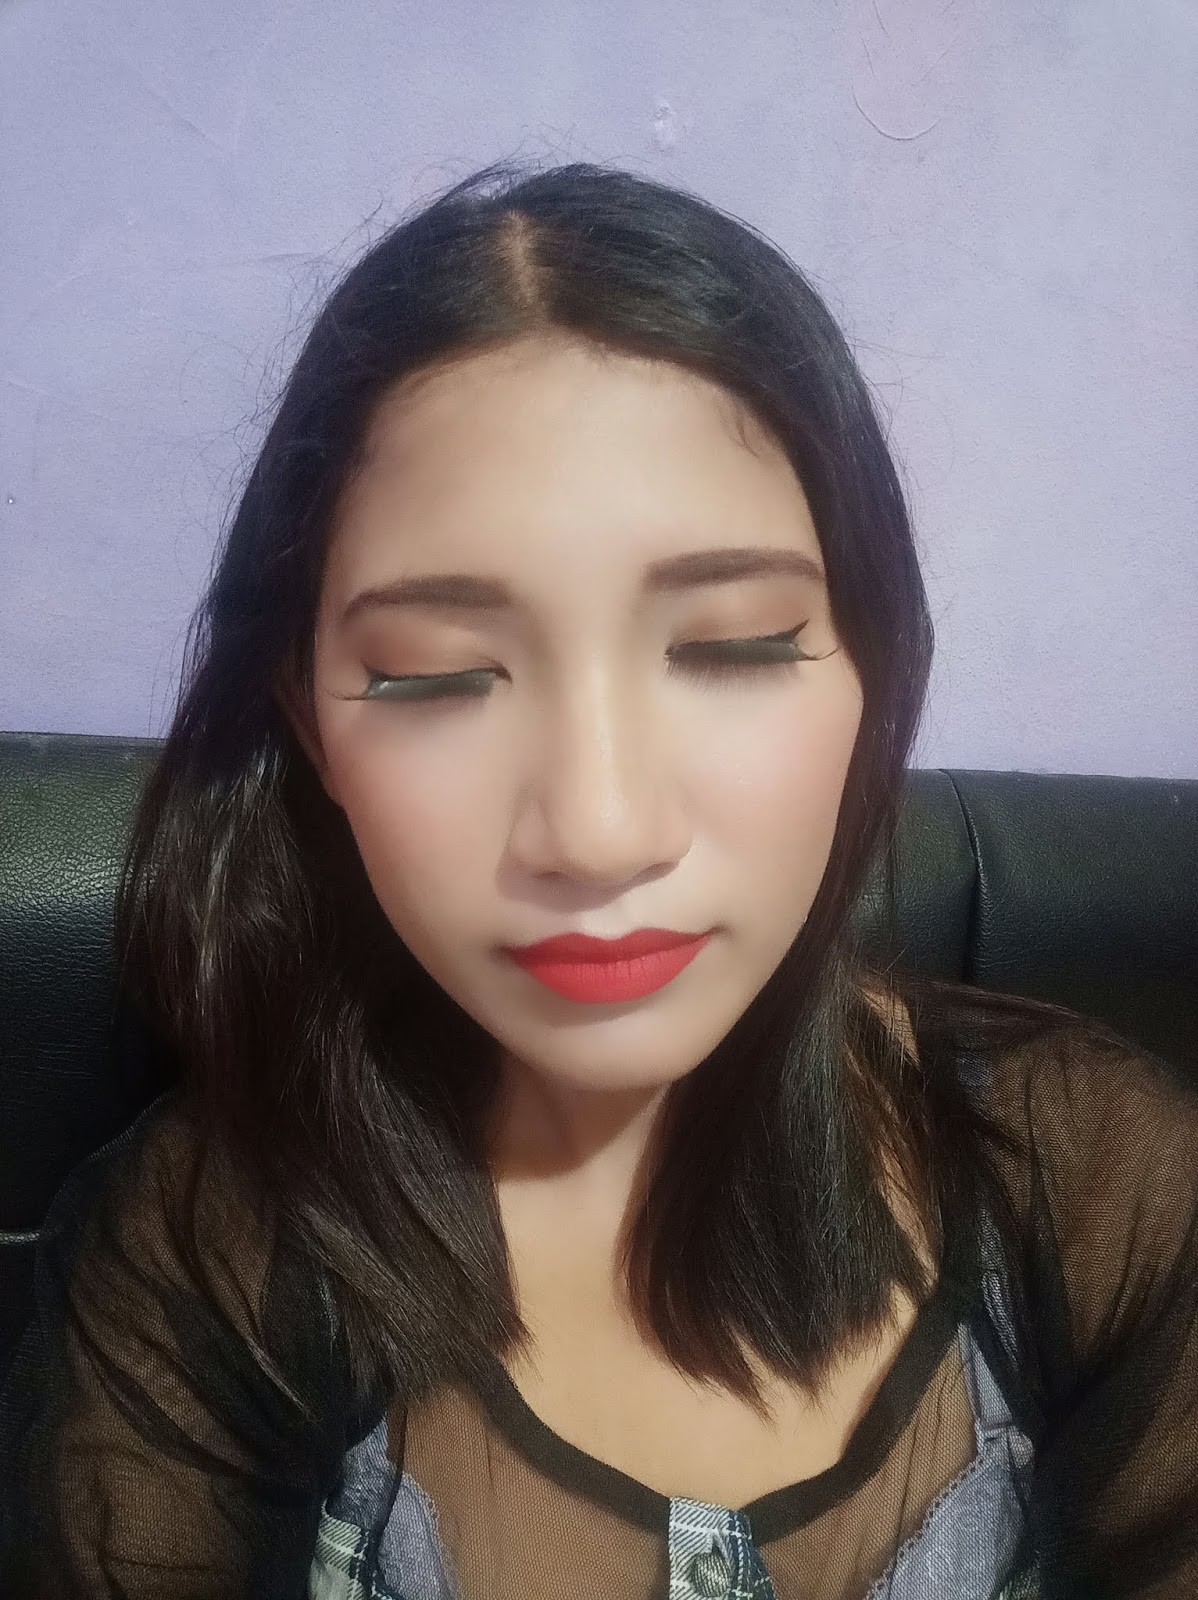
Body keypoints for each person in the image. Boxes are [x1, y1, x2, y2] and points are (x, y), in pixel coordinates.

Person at [1, 160, 1195, 1600]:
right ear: (310, 724)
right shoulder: (205, 1257)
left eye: (733, 645)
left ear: (872, 672)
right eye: (434, 674)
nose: (600, 828)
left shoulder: (1093, 1182)